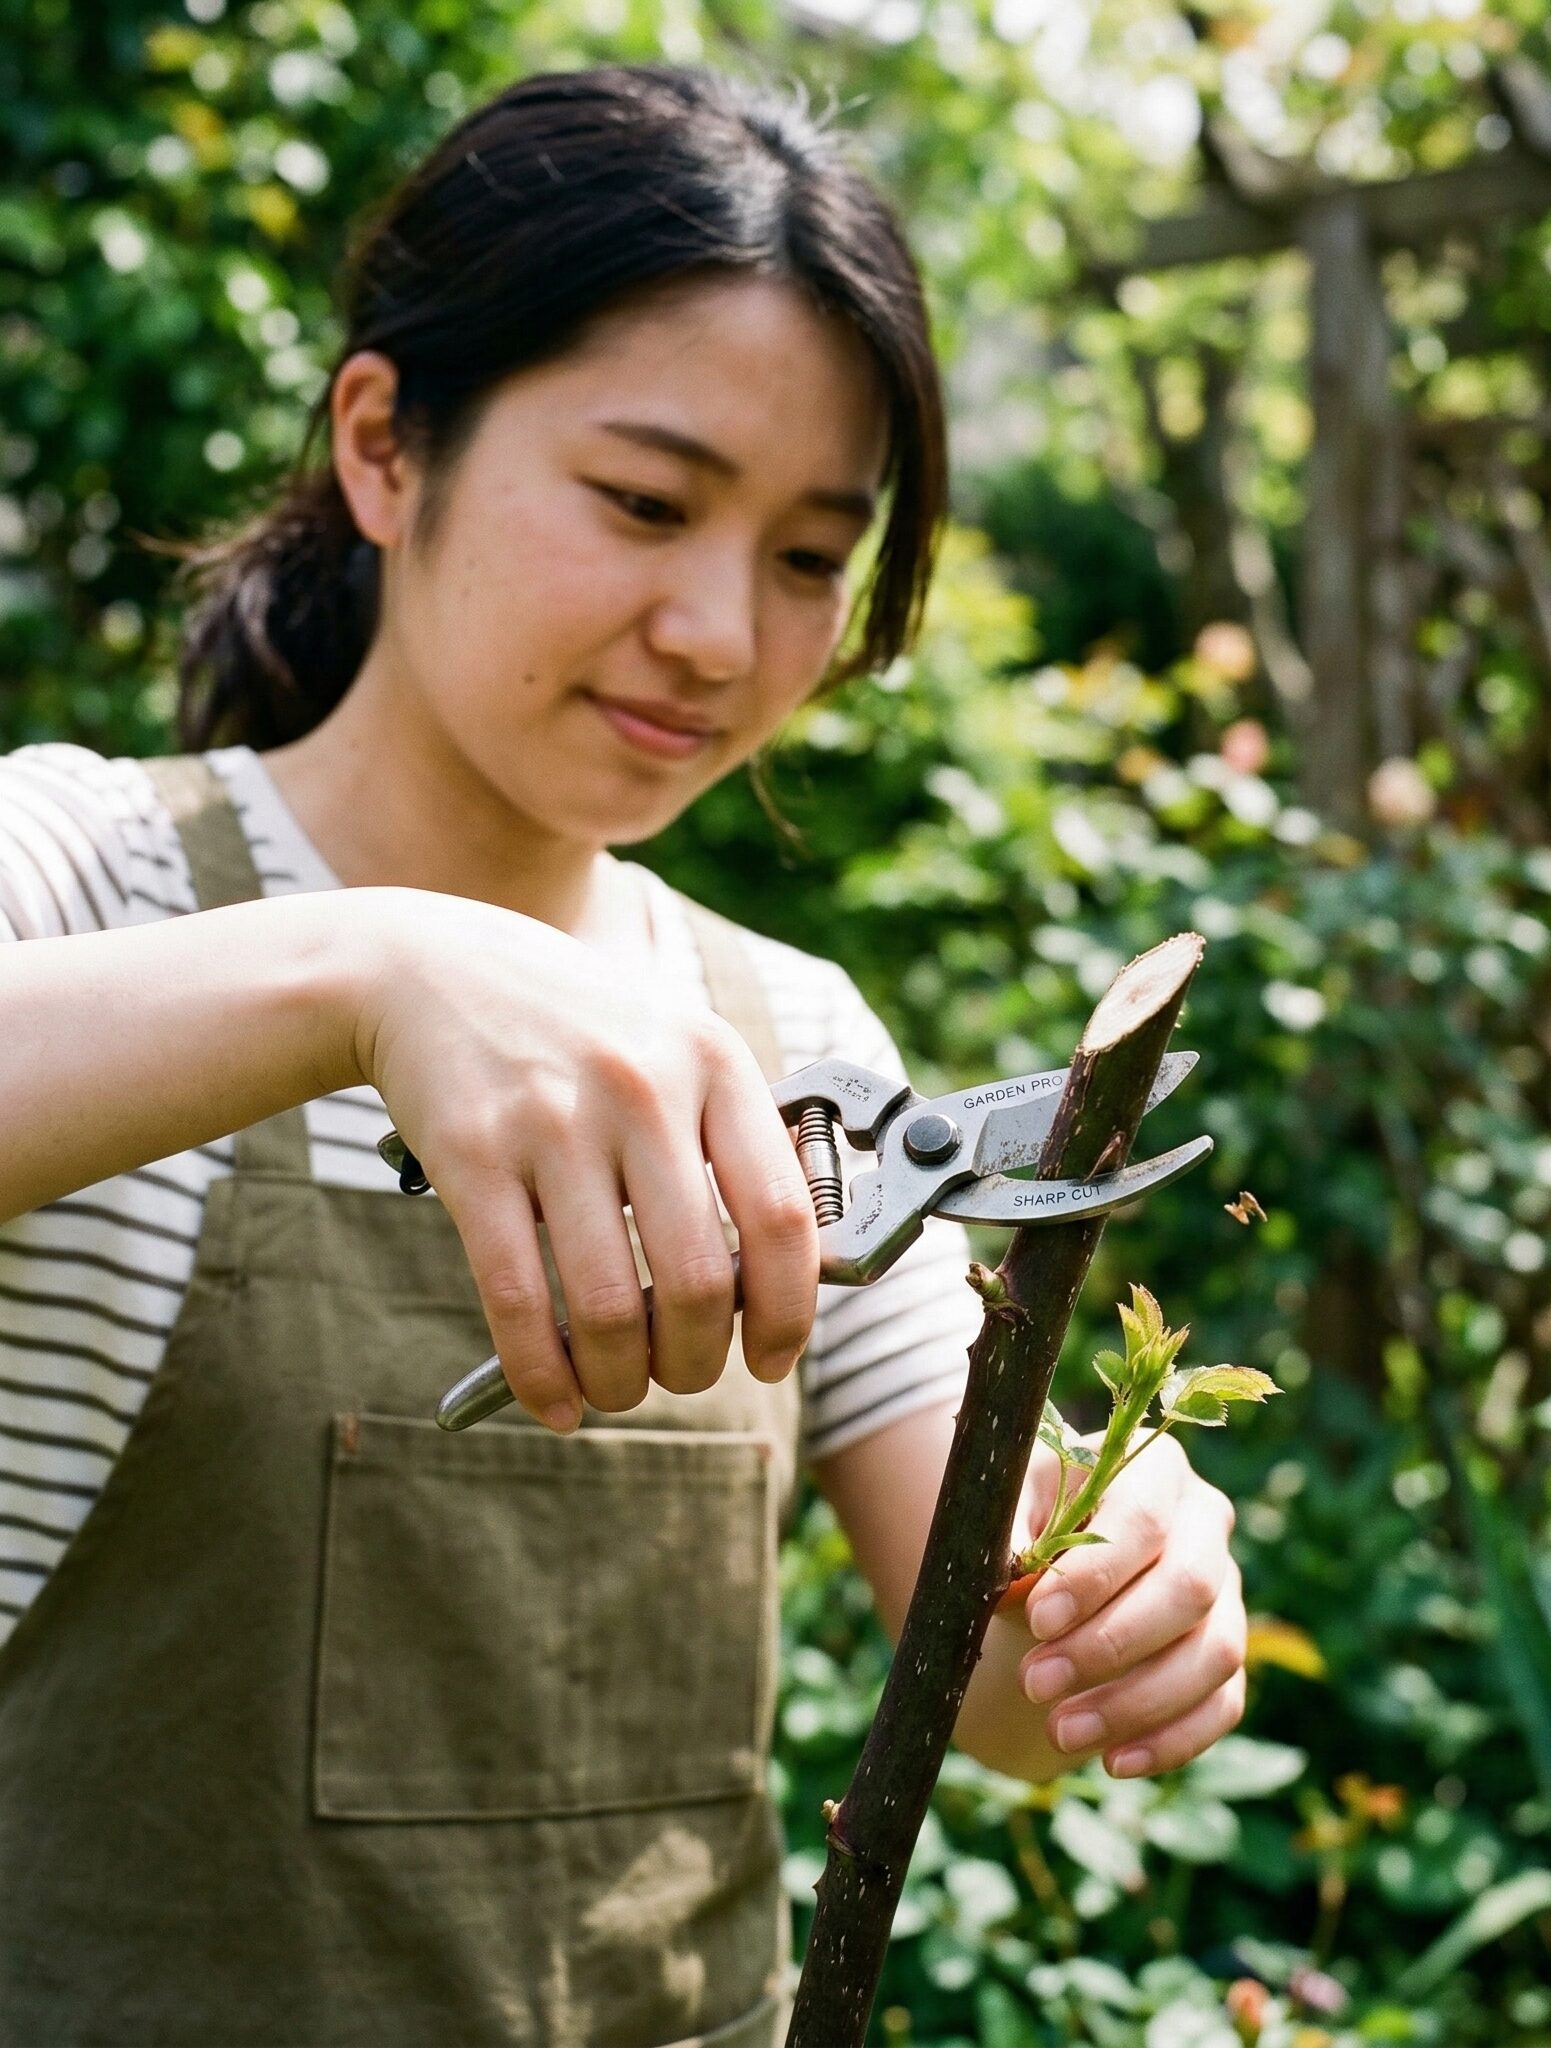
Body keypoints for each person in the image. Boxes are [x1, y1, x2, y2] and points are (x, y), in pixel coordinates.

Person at [0, 62, 1248, 2046]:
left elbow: (1001, 1700)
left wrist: (1123, 1590)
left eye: (804, 556)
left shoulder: (800, 1048)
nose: (716, 633)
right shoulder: (89, 877)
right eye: (646, 503)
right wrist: (367, 970)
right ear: (387, 446)